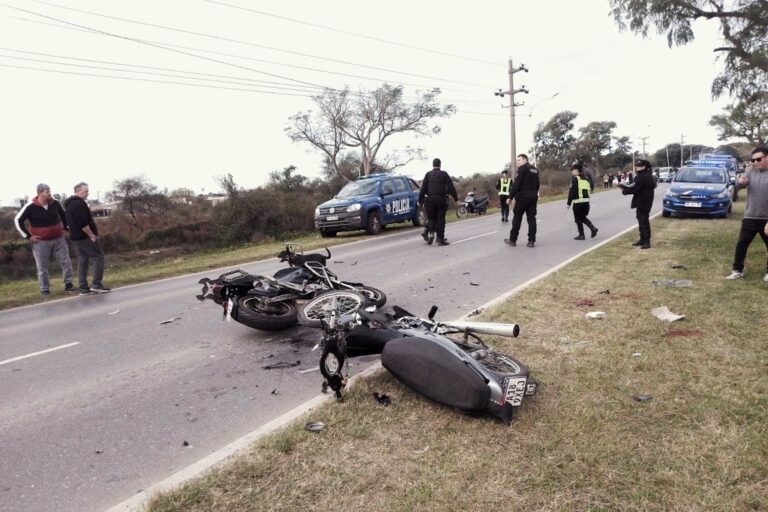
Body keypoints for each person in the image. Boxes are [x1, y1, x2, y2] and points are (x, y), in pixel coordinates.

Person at [14, 183, 74, 295]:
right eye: (47, 191)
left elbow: (64, 214)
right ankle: (45, 289)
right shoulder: (30, 206)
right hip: (40, 242)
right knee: (42, 267)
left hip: (59, 239)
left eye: (49, 191)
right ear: (40, 193)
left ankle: (69, 284)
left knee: (66, 262)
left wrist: (66, 227)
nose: (50, 193)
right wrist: (28, 236)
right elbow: (18, 220)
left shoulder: (55, 202)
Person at [724, 146, 768, 281]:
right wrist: (740, 182)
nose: (755, 163)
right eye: (752, 160)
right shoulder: (750, 171)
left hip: (766, 218)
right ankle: (737, 270)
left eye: (758, 159)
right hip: (750, 216)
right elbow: (737, 187)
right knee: (742, 243)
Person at [64, 182, 110, 294]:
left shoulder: (69, 204)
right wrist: (91, 235)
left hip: (75, 237)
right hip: (84, 237)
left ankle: (83, 288)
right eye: (86, 191)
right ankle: (96, 284)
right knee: (99, 257)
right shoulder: (79, 204)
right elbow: (83, 223)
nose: (88, 193)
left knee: (83, 260)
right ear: (78, 191)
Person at [418, 158, 458, 246]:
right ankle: (440, 239)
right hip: (441, 199)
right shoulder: (444, 174)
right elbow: (451, 187)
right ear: (440, 165)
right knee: (440, 219)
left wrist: (420, 201)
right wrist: (456, 199)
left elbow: (423, 189)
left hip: (430, 200)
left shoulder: (428, 175)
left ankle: (430, 234)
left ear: (433, 165)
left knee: (432, 218)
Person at [618, 159, 656, 249]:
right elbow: (634, 186)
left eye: (640, 166)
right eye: (637, 166)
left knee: (643, 220)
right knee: (641, 219)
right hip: (644, 200)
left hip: (643, 201)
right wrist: (624, 187)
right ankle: (642, 239)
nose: (637, 167)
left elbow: (635, 188)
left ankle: (646, 241)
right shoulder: (645, 175)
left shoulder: (642, 176)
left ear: (645, 167)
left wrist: (624, 191)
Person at [504, 154, 540, 248]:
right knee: (531, 219)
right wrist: (534, 193)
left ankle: (513, 239)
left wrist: (510, 197)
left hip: (522, 198)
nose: (517, 162)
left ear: (525, 160)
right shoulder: (535, 170)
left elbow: (516, 184)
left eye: (519, 160)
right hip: (533, 197)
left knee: (517, 218)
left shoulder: (522, 169)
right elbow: (537, 184)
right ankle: (531, 241)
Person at [566, 163, 598, 240]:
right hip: (586, 203)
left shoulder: (575, 179)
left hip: (578, 203)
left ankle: (583, 234)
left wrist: (568, 203)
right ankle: (591, 229)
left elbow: (572, 191)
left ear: (577, 170)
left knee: (578, 219)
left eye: (572, 170)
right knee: (582, 217)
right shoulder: (586, 179)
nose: (572, 172)